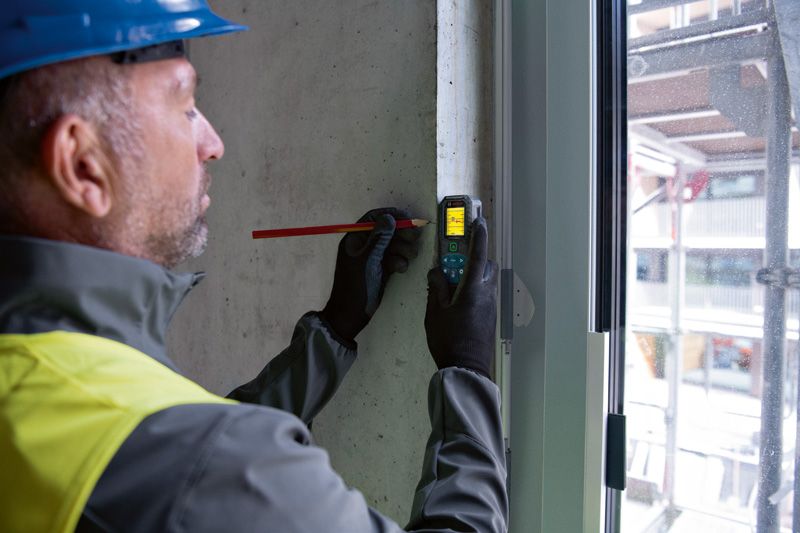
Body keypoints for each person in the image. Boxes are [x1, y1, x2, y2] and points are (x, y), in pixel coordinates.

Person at [0, 1, 508, 532]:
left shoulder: (49, 388)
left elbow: (185, 458)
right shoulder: (199, 465)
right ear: (83, 164)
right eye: (186, 106)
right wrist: (466, 371)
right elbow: (203, 469)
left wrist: (333, 329)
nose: (212, 144)